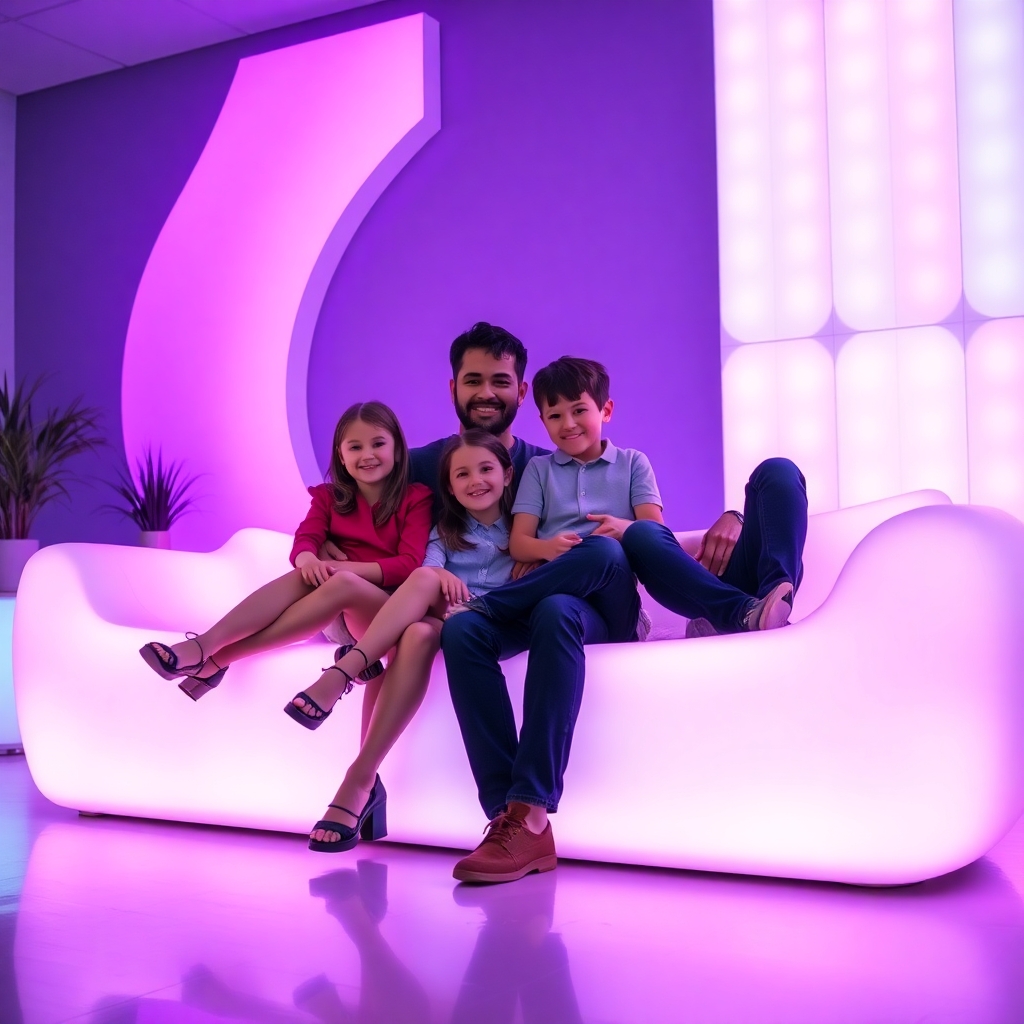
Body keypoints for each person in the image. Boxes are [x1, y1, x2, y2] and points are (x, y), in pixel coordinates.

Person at [138, 401, 435, 845]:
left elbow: (409, 564)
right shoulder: (329, 498)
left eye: (378, 443)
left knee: (339, 584)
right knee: (309, 574)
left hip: (392, 608)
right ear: (339, 453)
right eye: (355, 446)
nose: (368, 454)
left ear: (397, 449)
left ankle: (216, 655)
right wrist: (312, 557)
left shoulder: (415, 498)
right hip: (348, 620)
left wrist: (346, 568)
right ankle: (208, 644)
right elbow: (306, 539)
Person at [443, 356, 663, 884]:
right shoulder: (539, 471)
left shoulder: (633, 463)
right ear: (541, 421)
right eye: (555, 415)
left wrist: (619, 529)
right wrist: (547, 549)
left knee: (602, 554)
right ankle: (515, 816)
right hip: (553, 599)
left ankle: (491, 605)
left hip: (612, 602)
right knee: (462, 629)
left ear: (604, 410)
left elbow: (656, 537)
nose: (568, 424)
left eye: (579, 411)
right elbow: (522, 540)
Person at [302, 430, 519, 852]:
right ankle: (363, 779)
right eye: (462, 474)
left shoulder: (523, 530)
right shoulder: (446, 531)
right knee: (418, 626)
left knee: (420, 601)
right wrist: (439, 575)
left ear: (508, 475)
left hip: (482, 623)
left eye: (486, 469)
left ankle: (345, 672)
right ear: (450, 487)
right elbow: (425, 566)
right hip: (433, 620)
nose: (476, 480)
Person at [620, 456, 808, 636]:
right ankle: (749, 614)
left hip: (731, 568)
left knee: (778, 469)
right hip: (703, 593)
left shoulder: (630, 461)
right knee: (640, 534)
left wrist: (736, 518)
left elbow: (655, 527)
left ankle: (774, 601)